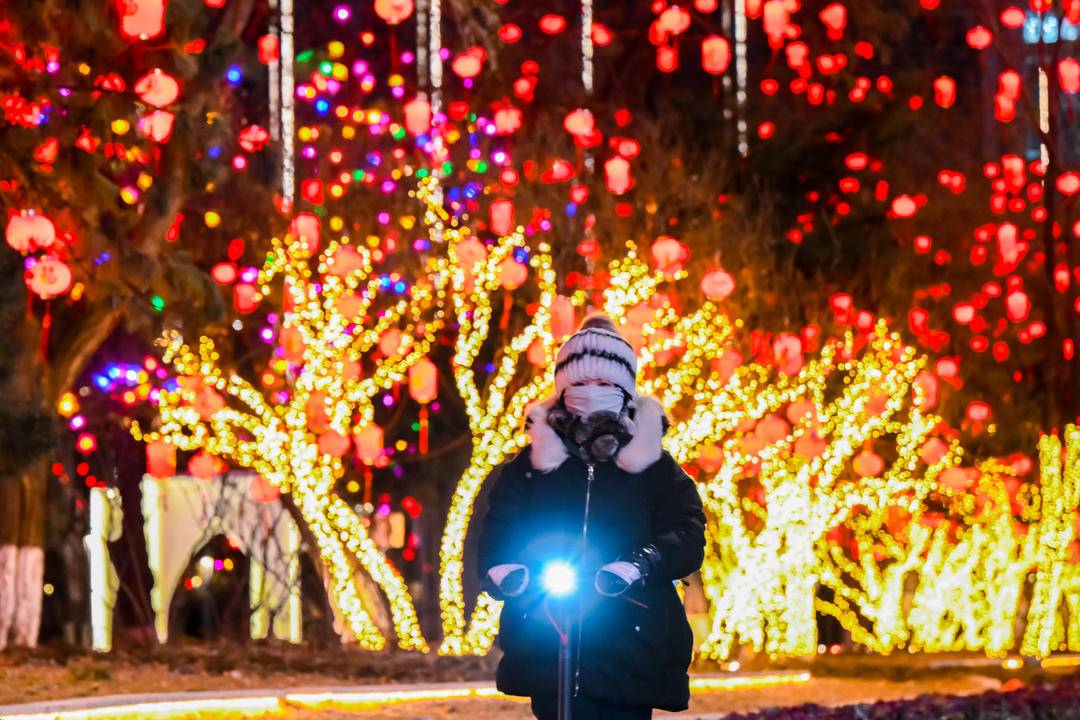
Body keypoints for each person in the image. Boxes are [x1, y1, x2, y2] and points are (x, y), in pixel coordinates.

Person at [477, 314, 706, 720]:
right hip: (548, 629)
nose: (591, 393)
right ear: (562, 389)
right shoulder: (530, 466)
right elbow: (499, 527)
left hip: (630, 635)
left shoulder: (653, 466)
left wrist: (640, 563)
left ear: (624, 389)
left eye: (604, 383)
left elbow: (687, 531)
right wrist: (505, 570)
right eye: (579, 383)